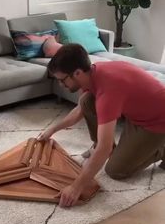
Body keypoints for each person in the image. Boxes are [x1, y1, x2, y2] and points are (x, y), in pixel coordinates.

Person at [37, 43, 165, 208]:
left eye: (62, 80)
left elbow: (104, 150)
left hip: (158, 122)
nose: (61, 85)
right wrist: (52, 130)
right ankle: (113, 145)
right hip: (139, 114)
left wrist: (76, 187)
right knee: (86, 101)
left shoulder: (108, 91)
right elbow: (79, 111)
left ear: (77, 72)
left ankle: (162, 148)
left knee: (115, 170)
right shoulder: (93, 74)